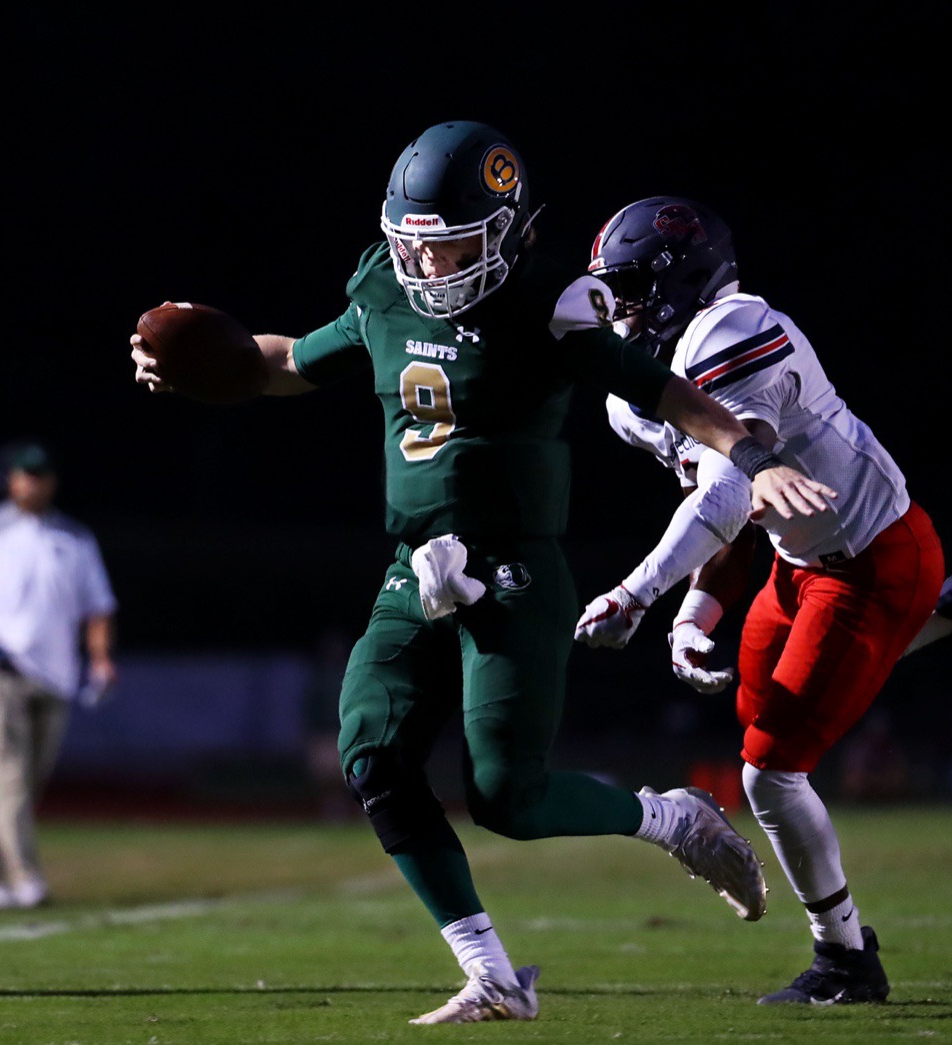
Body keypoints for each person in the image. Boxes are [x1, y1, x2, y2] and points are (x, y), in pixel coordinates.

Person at [131, 121, 839, 1025]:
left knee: (509, 796)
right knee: (371, 751)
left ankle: (672, 819)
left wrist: (746, 448)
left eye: (452, 247)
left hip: (515, 570)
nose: (429, 270)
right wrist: (203, 367)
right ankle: (492, 973)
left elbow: (664, 391)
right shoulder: (387, 291)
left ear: (506, 233)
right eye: (415, 248)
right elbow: (288, 363)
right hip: (413, 562)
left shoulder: (548, 305)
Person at [572, 195, 952, 1006]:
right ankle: (943, 619)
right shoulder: (635, 396)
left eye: (634, 285)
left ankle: (846, 956)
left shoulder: (736, 329)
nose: (621, 306)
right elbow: (740, 513)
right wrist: (693, 613)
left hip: (872, 560)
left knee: (771, 773)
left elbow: (724, 494)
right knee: (754, 708)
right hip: (797, 564)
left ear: (684, 278)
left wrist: (640, 594)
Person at [0, 441, 119, 910]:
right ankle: (25, 876)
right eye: (24, 474)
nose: (32, 483)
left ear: (52, 480)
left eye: (40, 474)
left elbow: (97, 609)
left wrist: (100, 659)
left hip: (53, 675)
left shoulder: (74, 538)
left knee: (24, 786)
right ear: (10, 480)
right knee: (9, 776)